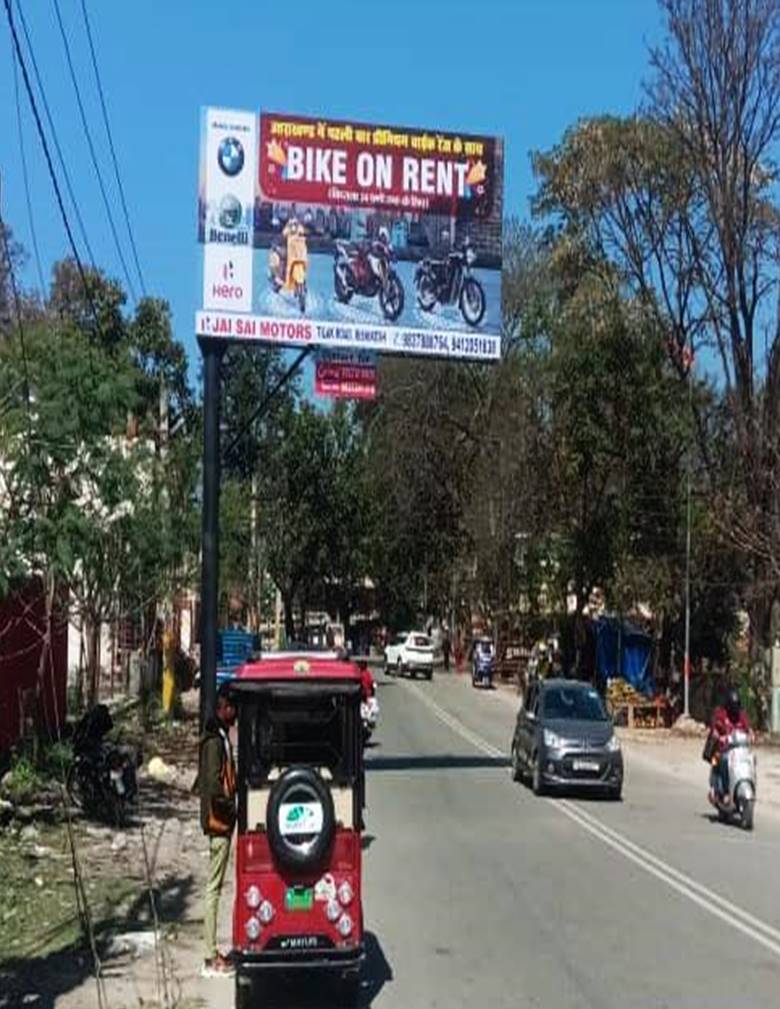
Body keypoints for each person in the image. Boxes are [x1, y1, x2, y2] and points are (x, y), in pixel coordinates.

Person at [199, 684, 238, 977]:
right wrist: (231, 806)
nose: (234, 713)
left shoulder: (221, 737)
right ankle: (209, 958)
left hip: (222, 820)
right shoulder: (214, 741)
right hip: (218, 822)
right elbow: (212, 785)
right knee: (213, 890)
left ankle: (212, 952)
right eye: (232, 708)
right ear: (222, 708)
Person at [708, 686, 752, 805]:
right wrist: (719, 737)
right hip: (724, 750)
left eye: (736, 706)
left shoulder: (741, 715)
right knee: (725, 761)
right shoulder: (721, 714)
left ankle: (748, 785)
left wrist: (751, 735)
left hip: (740, 750)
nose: (735, 710)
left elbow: (748, 729)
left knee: (751, 760)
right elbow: (714, 730)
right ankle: (725, 791)